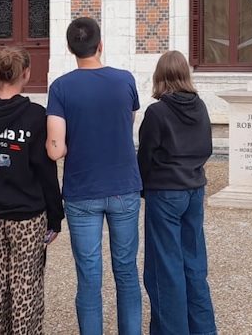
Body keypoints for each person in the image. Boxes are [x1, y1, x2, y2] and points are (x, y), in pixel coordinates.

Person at [46, 17, 143, 335]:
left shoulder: (60, 87)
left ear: (70, 48)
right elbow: (126, 122)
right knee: (126, 271)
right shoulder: (125, 80)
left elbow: (55, 150)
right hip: (123, 186)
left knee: (89, 276)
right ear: (100, 45)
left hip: (82, 189)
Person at [0, 47, 64, 335]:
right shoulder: (33, 117)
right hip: (26, 215)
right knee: (25, 285)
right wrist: (56, 216)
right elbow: (46, 172)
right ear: (26, 74)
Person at [137, 51, 217, 335]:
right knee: (194, 264)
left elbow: (145, 155)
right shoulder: (201, 106)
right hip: (194, 189)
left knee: (165, 269)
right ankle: (204, 330)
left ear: (160, 77)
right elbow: (207, 147)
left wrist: (144, 186)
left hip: (165, 192)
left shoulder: (157, 112)